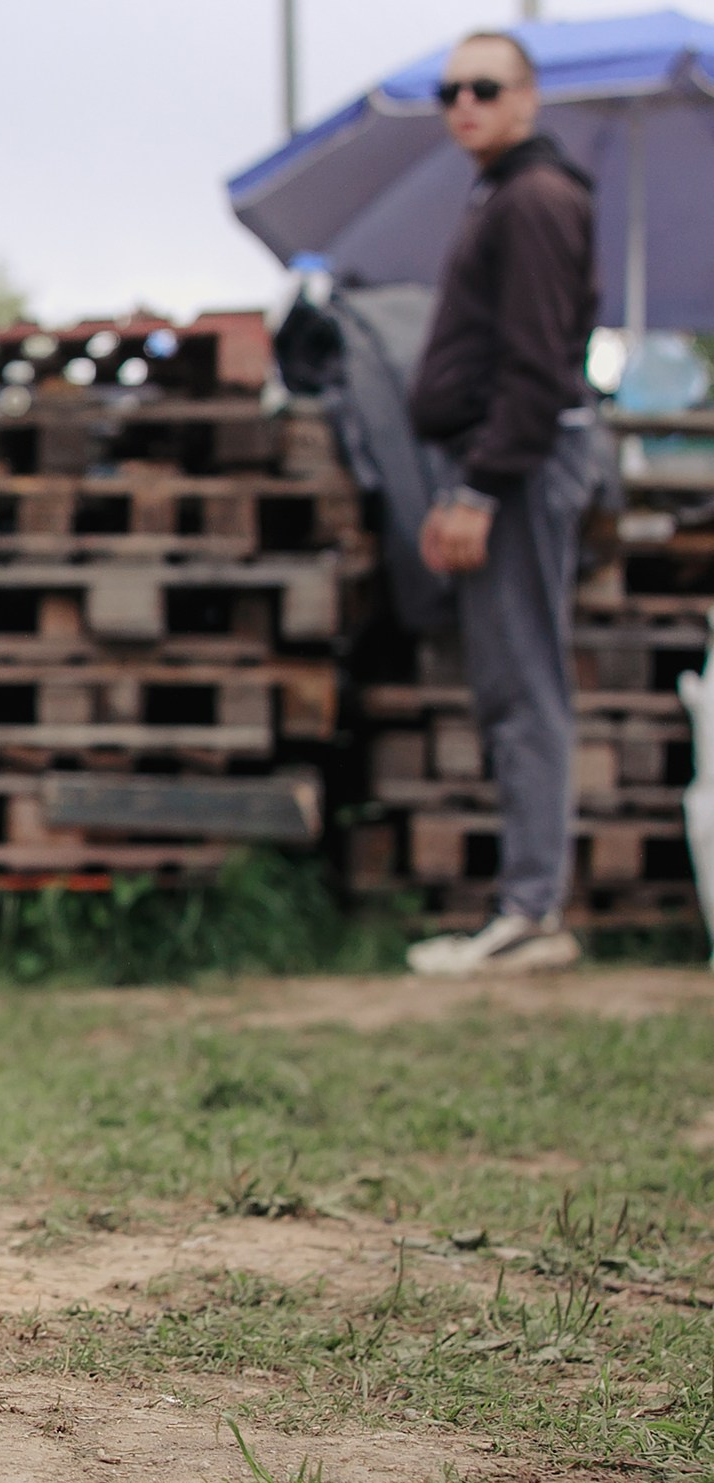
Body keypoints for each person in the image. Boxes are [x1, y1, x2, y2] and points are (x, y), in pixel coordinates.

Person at [403, 30, 601, 977]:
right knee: (509, 683)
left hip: (519, 468)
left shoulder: (535, 202)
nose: (463, 105)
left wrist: (480, 485)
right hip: (500, 464)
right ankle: (528, 901)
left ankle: (531, 907)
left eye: (483, 86)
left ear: (528, 98)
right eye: (449, 91)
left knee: (525, 686)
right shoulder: (503, 196)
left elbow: (537, 364)